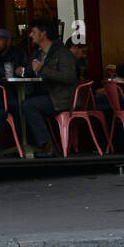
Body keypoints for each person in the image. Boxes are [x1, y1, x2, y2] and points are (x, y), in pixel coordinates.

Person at [18, 19, 79, 157]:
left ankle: (47, 145)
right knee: (18, 104)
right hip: (45, 95)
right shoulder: (38, 54)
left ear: (43, 34)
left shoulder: (62, 53)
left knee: (28, 105)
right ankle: (31, 144)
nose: (30, 35)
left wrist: (43, 69)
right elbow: (31, 72)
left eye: (33, 32)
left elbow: (69, 77)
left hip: (61, 98)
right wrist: (22, 71)